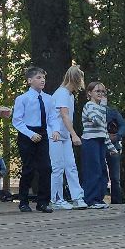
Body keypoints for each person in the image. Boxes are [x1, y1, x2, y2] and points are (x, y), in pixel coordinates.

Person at [13, 69, 54, 213]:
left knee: (46, 167)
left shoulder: (48, 99)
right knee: (29, 168)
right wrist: (30, 134)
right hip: (27, 133)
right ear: (30, 81)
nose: (42, 80)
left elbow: (51, 118)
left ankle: (43, 202)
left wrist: (53, 131)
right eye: (38, 77)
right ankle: (23, 201)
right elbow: (17, 121)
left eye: (44, 77)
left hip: (43, 133)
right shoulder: (22, 99)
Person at [49, 66, 86, 209]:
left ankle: (77, 197)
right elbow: (64, 116)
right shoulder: (62, 93)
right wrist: (74, 134)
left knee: (71, 166)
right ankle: (56, 199)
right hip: (55, 134)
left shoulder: (70, 95)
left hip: (64, 135)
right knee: (57, 167)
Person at [79, 81, 113, 209]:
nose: (100, 94)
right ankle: (90, 199)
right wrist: (102, 109)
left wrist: (111, 147)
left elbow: (104, 130)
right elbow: (96, 120)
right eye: (97, 91)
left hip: (100, 141)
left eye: (102, 91)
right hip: (90, 141)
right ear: (89, 93)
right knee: (93, 170)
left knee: (103, 171)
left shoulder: (101, 108)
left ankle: (99, 198)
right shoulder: (89, 105)